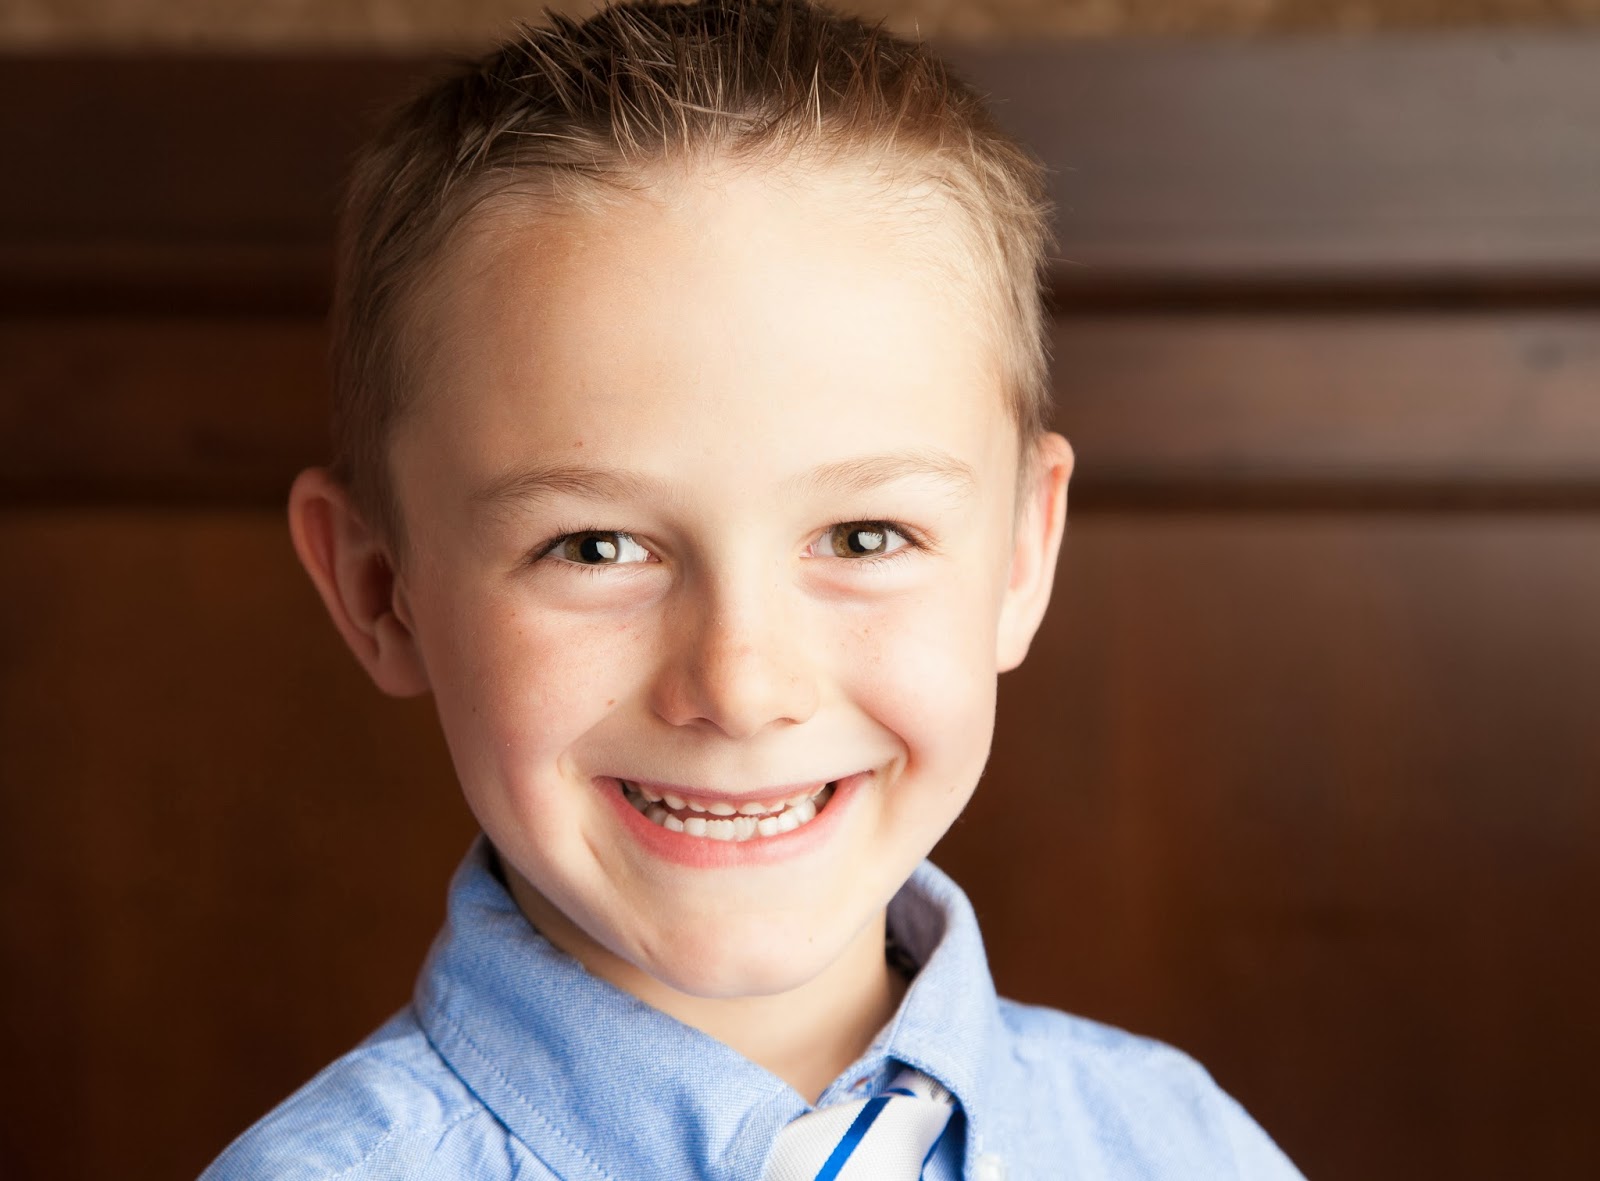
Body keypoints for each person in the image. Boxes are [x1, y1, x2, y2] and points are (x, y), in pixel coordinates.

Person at [202, 2, 1303, 1177]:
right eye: (595, 547)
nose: (739, 684)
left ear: (1022, 554)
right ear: (381, 588)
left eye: (865, 535)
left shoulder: (1181, 1143)